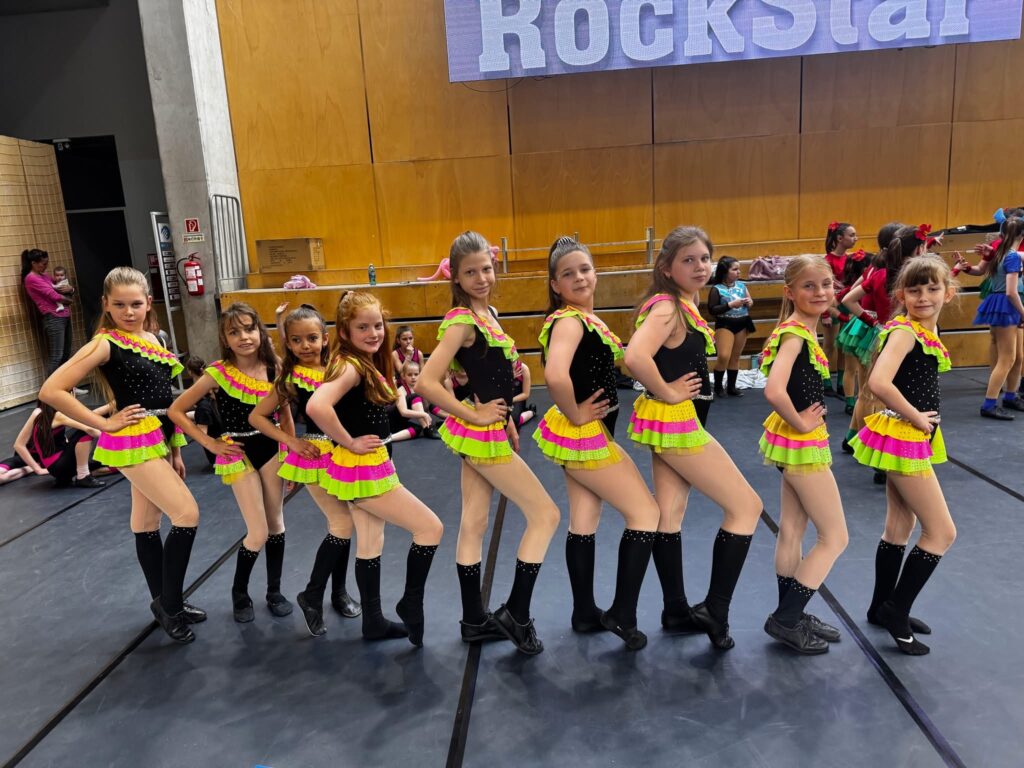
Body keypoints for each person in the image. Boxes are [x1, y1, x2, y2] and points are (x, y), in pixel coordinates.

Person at [39, 267, 202, 643]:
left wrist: (176, 450)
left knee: (146, 523)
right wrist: (104, 424)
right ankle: (170, 604)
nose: (128, 312)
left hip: (160, 436)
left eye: (135, 304)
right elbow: (52, 390)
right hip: (132, 440)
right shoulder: (104, 343)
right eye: (119, 305)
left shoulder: (154, 338)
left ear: (148, 303)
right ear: (106, 305)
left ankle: (165, 601)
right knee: (187, 514)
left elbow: (164, 399)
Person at [416, 231, 560, 655]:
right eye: (471, 273)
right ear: (456, 278)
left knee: (474, 523)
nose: (482, 278)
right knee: (546, 514)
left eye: (486, 269)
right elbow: (426, 382)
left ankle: (473, 620)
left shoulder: (489, 314)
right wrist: (474, 415)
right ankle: (517, 613)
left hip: (493, 428)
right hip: (479, 433)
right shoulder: (461, 321)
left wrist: (507, 419)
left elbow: (492, 377)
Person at [625, 226, 762, 650]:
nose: (700, 266)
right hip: (677, 421)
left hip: (678, 419)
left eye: (704, 258)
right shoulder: (668, 307)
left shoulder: (685, 303)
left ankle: (675, 608)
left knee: (669, 515)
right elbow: (634, 356)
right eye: (688, 260)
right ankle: (715, 610)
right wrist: (667, 391)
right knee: (747, 507)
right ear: (667, 268)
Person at [533, 236, 659, 650]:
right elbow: (555, 375)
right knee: (646, 513)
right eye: (568, 274)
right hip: (585, 434)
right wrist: (575, 413)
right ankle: (623, 613)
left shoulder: (584, 319)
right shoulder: (570, 321)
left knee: (584, 520)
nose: (580, 278)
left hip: (588, 434)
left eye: (584, 269)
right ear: (556, 285)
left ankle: (584, 612)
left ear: (595, 273)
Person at [307, 291, 443, 646]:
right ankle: (410, 603)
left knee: (370, 542)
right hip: (362, 468)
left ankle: (373, 621)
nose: (373, 333)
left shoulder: (362, 362)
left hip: (370, 463)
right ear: (345, 332)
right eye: (363, 327)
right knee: (430, 528)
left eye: (378, 325)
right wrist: (348, 441)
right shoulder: (350, 366)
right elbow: (317, 407)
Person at [849, 256, 958, 655]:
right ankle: (897, 610)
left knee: (899, 525)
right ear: (901, 295)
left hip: (907, 433)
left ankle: (880, 606)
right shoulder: (905, 333)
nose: (924, 297)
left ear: (949, 293)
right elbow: (879, 382)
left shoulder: (926, 329)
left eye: (932, 288)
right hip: (905, 434)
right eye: (915, 290)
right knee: (941, 532)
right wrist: (916, 417)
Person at [169, 303, 292, 623]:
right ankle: (240, 592)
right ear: (225, 339)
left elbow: (285, 415)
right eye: (234, 332)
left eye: (249, 329)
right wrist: (210, 443)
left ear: (259, 331)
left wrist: (291, 456)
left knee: (276, 523)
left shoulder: (273, 367)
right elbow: (176, 411)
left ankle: (274, 591)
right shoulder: (217, 373)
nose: (244, 337)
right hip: (238, 452)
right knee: (258, 531)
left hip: (271, 447)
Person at [248, 304, 360, 637]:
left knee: (344, 524)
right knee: (342, 523)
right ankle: (313, 594)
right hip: (316, 454)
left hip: (346, 452)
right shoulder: (291, 378)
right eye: (296, 340)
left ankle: (339, 592)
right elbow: (257, 417)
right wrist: (291, 442)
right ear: (288, 343)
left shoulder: (339, 368)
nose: (305, 345)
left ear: (325, 338)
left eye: (312, 338)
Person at [759, 255, 848, 654]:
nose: (820, 292)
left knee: (793, 529)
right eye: (809, 286)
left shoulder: (802, 330)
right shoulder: (794, 334)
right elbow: (774, 390)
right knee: (835, 537)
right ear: (790, 292)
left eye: (826, 284)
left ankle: (791, 614)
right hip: (801, 444)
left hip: (793, 443)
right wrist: (800, 422)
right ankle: (787, 618)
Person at [969, 217, 1024, 420]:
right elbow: (1011, 291)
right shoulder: (1012, 257)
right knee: (1007, 359)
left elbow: (981, 270)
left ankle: (1010, 396)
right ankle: (989, 404)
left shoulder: (999, 252)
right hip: (1006, 306)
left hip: (1000, 303)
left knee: (1016, 357)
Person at [0, 401, 106, 487]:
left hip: (46, 458)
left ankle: (31, 468)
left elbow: (87, 418)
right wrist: (36, 469)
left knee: (83, 431)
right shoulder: (43, 414)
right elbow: (19, 445)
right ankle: (83, 475)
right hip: (31, 458)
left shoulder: (47, 413)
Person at [22, 248, 75, 376]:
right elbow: (54, 295)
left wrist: (71, 289)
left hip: (64, 315)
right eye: (43, 264)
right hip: (53, 318)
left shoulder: (44, 275)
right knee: (57, 356)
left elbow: (62, 287)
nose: (46, 266)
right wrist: (70, 299)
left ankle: (65, 385)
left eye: (47, 263)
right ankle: (49, 388)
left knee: (66, 353)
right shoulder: (31, 278)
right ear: (34, 263)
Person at [707, 255, 755, 398]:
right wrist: (730, 305)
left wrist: (749, 302)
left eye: (738, 269)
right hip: (725, 324)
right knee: (724, 356)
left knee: (735, 357)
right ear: (724, 271)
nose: (738, 272)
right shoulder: (716, 289)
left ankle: (731, 387)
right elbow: (712, 310)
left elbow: (750, 300)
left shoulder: (742, 286)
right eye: (734, 269)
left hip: (742, 323)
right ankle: (718, 386)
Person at [822, 222, 859, 397]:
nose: (855, 238)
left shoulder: (851, 260)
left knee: (845, 346)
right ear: (839, 238)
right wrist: (825, 313)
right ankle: (825, 380)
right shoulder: (827, 261)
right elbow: (823, 287)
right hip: (832, 305)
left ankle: (842, 383)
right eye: (852, 235)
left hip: (848, 304)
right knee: (830, 345)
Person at [387, 360, 441, 442]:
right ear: (403, 376)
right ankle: (428, 427)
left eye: (416, 374)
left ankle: (389, 438)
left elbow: (426, 408)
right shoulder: (401, 390)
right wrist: (424, 414)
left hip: (398, 424)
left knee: (417, 429)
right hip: (389, 419)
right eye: (409, 375)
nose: (413, 377)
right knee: (414, 396)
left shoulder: (419, 389)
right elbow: (403, 412)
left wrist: (425, 396)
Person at [510, 358, 537, 428]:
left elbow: (526, 394)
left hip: (517, 399)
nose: (511, 365)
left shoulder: (523, 369)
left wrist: (510, 400)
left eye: (513, 362)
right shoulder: (500, 368)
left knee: (513, 421)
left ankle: (532, 411)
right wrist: (510, 378)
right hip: (504, 398)